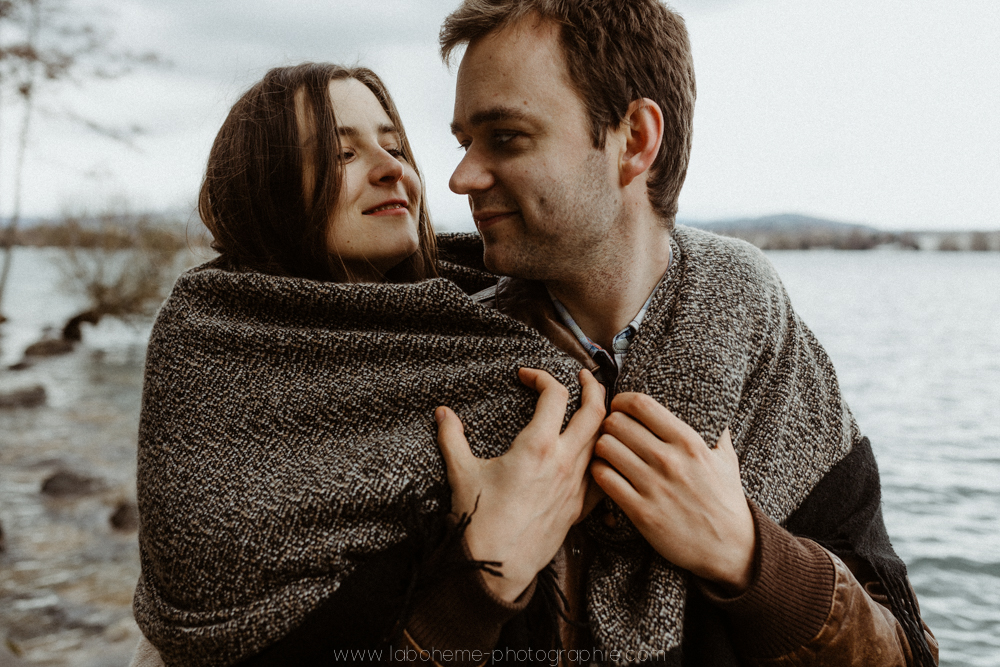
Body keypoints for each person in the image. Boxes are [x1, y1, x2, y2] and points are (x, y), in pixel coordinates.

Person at [391, 1, 940, 665]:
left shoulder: (759, 333)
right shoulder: (431, 346)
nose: (461, 176)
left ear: (635, 139)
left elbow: (906, 653)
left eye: (505, 137)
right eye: (463, 142)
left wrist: (749, 558)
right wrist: (477, 583)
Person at [130, 62, 605, 665]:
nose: (393, 170)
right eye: (341, 154)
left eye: (395, 145)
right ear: (264, 184)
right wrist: (484, 581)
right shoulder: (207, 340)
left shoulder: (489, 318)